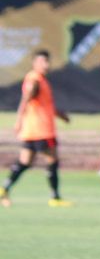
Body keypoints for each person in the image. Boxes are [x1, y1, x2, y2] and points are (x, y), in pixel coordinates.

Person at [2, 49, 72, 208]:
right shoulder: (34, 80)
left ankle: (3, 189)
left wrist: (61, 115)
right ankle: (55, 197)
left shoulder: (40, 79)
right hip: (42, 129)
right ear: (34, 63)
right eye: (42, 62)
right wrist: (18, 120)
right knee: (52, 161)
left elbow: (45, 105)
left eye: (47, 61)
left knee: (25, 162)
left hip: (32, 129)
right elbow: (26, 99)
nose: (46, 65)